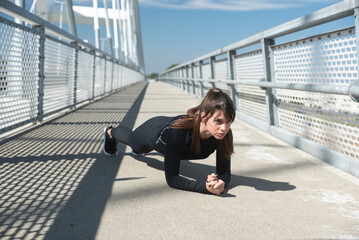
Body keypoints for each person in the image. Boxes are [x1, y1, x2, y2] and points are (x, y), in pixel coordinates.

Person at [102, 88, 235, 195]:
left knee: (139, 149)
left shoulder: (225, 135)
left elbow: (224, 173)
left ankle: (138, 142)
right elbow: (172, 179)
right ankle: (110, 132)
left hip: (171, 136)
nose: (224, 128)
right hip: (155, 132)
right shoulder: (178, 132)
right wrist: (204, 188)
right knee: (134, 141)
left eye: (228, 121)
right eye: (218, 121)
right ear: (204, 117)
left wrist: (219, 182)